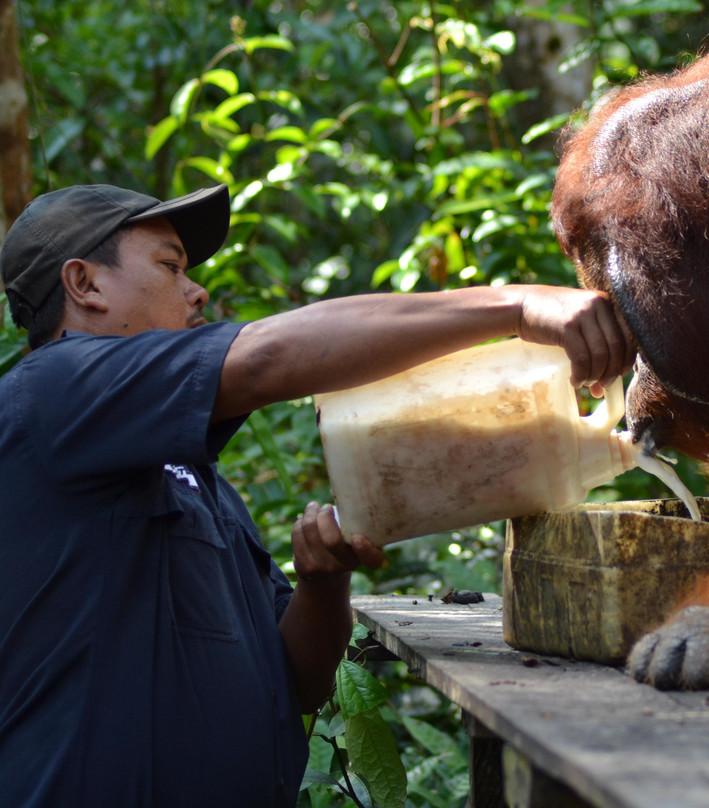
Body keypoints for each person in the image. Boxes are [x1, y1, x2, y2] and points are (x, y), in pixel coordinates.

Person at [0, 183, 635, 807]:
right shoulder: (49, 392)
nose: (197, 291)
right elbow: (266, 358)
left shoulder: (186, 473)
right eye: (171, 267)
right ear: (84, 284)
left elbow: (296, 682)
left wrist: (322, 582)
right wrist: (515, 305)